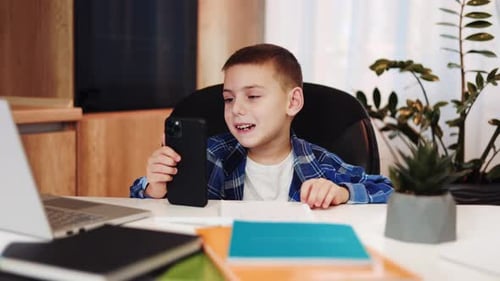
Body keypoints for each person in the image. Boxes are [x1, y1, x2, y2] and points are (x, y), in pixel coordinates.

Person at [130, 43, 393, 209]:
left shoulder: (320, 163)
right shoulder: (208, 155)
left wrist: (342, 193)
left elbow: (387, 192)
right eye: (228, 99)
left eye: (253, 96)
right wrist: (156, 187)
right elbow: (144, 204)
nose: (237, 109)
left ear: (293, 102)